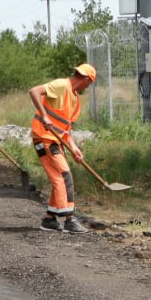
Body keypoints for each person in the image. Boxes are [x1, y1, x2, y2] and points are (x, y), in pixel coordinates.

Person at [28, 64, 96, 233]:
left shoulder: (75, 101)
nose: (88, 87)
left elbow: (67, 130)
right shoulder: (61, 85)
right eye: (90, 83)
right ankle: (69, 219)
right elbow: (33, 91)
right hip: (44, 138)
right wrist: (44, 115)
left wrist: (74, 149)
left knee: (59, 179)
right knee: (65, 176)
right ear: (87, 80)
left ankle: (50, 219)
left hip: (55, 141)